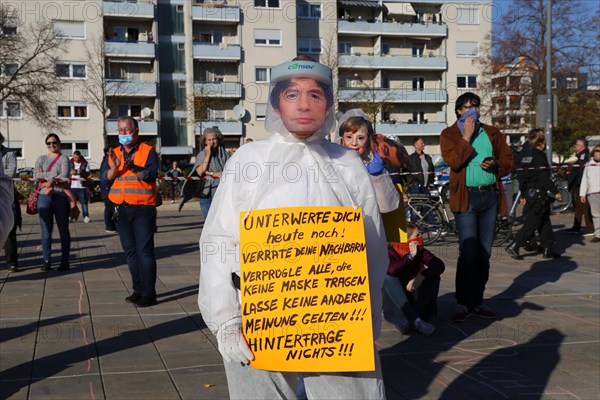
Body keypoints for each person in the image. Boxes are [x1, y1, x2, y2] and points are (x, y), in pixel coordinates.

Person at [198, 58, 388, 399]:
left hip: (336, 317)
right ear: (275, 103)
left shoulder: (347, 165)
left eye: (315, 95)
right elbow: (220, 240)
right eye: (291, 94)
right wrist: (225, 316)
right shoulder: (250, 160)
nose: (303, 104)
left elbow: (371, 247)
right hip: (262, 318)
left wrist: (368, 313)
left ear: (329, 105)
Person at [440, 92, 513, 322]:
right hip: (466, 199)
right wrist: (467, 136)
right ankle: (463, 302)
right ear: (459, 111)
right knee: (469, 252)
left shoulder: (492, 133)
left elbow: (509, 162)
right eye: (467, 107)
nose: (472, 110)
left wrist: (495, 165)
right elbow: (453, 161)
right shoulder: (449, 134)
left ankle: (477, 301)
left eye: (475, 106)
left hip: (489, 197)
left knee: (484, 253)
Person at [101, 116, 159, 307]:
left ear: (136, 131)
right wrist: (116, 167)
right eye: (120, 130)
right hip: (121, 208)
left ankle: (149, 293)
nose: (123, 133)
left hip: (143, 207)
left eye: (127, 130)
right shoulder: (113, 153)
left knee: (144, 252)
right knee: (130, 253)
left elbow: (150, 175)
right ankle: (138, 289)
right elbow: (105, 178)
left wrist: (132, 166)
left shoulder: (148, 151)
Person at [505, 129, 561, 260]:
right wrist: (555, 191)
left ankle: (547, 248)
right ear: (541, 143)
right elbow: (544, 178)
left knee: (544, 221)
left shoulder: (525, 156)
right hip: (539, 194)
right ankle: (514, 245)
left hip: (529, 193)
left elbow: (521, 177)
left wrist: (524, 195)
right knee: (532, 223)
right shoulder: (539, 156)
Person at [383, 223, 445, 336]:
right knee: (387, 278)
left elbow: (439, 264)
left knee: (434, 276)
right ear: (406, 238)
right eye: (417, 235)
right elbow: (391, 270)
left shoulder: (420, 250)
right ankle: (416, 320)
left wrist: (421, 276)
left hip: (417, 305)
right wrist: (410, 256)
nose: (420, 238)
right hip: (399, 308)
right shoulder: (390, 251)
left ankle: (413, 318)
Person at [338, 109, 400, 213]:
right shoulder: (331, 164)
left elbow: (388, 207)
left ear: (368, 141)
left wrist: (378, 178)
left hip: (369, 226)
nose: (354, 143)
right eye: (349, 137)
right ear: (342, 140)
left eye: (360, 138)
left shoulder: (372, 166)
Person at [35, 133, 77, 271]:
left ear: (59, 143)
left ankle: (65, 261)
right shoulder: (41, 158)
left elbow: (64, 177)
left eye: (54, 143)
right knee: (46, 230)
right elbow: (36, 176)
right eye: (48, 143)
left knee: (63, 229)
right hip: (44, 196)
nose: (51, 145)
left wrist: (46, 177)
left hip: (60, 196)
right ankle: (46, 260)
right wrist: (54, 177)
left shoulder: (64, 158)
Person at [192, 127, 229, 220]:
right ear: (205, 142)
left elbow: (229, 171)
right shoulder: (201, 155)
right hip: (205, 192)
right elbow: (200, 172)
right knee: (208, 221)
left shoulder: (224, 154)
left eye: (214, 139)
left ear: (218, 140)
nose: (212, 142)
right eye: (209, 140)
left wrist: (209, 173)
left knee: (219, 220)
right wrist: (208, 154)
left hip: (220, 191)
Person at [1, 133, 20, 272]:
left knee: (9, 228)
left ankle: (12, 260)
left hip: (6, 195)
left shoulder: (9, 153)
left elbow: (10, 172)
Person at [566, 138, 593, 235]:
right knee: (578, 206)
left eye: (577, 144)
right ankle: (576, 226)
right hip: (577, 183)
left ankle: (590, 228)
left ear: (582, 146)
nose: (575, 146)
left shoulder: (584, 155)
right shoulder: (579, 155)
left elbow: (582, 171)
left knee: (584, 206)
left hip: (581, 183)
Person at [579, 145, 600, 243]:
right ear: (593, 152)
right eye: (597, 151)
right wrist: (582, 194)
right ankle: (598, 234)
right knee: (596, 215)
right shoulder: (589, 165)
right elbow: (584, 180)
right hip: (592, 193)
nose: (599, 153)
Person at [69, 151, 91, 223]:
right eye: (74, 157)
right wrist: (70, 172)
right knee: (72, 202)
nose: (76, 159)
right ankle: (71, 217)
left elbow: (88, 174)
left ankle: (86, 216)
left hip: (82, 186)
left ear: (80, 156)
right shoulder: (69, 163)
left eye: (77, 157)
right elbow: (65, 172)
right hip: (72, 186)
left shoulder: (85, 163)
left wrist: (81, 172)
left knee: (84, 202)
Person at [100, 146, 117, 233]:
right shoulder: (107, 160)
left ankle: (111, 225)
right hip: (108, 188)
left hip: (108, 188)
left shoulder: (107, 160)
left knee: (110, 207)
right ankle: (109, 226)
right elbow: (106, 175)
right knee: (109, 207)